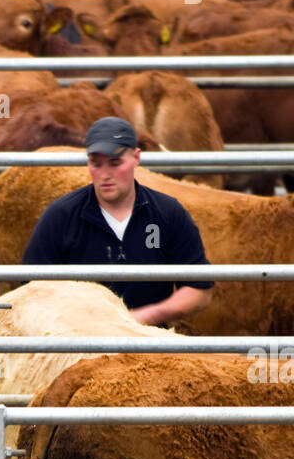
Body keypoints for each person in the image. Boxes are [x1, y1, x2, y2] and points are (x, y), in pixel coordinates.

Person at [22, 117, 213, 326]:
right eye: (96, 164)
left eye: (115, 163)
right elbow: (32, 291)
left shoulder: (168, 213)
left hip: (148, 340)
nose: (105, 175)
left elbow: (199, 289)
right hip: (80, 343)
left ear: (136, 158)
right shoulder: (60, 216)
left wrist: (147, 316)